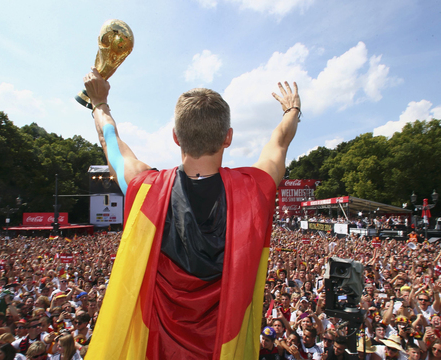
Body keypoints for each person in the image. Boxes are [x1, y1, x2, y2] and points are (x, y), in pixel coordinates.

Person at [83, 65, 301, 360]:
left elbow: (109, 142)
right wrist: (291, 110)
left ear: (175, 136)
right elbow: (279, 142)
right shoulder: (252, 191)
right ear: (228, 137)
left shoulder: (147, 190)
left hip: (158, 350)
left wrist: (99, 103)